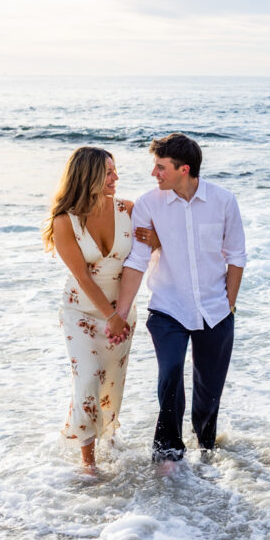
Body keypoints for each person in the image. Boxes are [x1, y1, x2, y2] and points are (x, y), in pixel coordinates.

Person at [114, 133, 246, 470]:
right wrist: (120, 312)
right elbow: (136, 261)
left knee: (209, 390)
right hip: (167, 307)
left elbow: (236, 256)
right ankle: (168, 453)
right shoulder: (148, 204)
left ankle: (207, 449)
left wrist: (228, 304)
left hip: (215, 310)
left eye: (160, 167)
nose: (154, 173)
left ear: (184, 169)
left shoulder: (224, 200)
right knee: (170, 375)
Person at [42, 147, 156, 474]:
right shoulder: (65, 221)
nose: (116, 177)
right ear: (89, 175)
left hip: (122, 311)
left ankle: (108, 436)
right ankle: (87, 460)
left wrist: (157, 238)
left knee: (112, 380)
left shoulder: (129, 210)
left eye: (115, 170)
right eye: (109, 172)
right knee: (88, 377)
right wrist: (110, 316)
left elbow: (152, 249)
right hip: (82, 313)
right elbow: (82, 276)